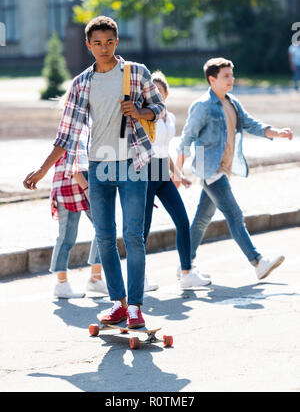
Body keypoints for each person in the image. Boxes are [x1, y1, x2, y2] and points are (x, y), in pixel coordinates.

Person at [23, 16, 165, 328]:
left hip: (133, 164)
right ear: (89, 45)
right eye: (98, 43)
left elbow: (159, 109)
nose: (104, 48)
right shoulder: (81, 83)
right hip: (97, 167)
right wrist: (43, 169)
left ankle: (136, 308)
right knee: (103, 237)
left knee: (134, 237)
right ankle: (118, 303)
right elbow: (66, 135)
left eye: (109, 42)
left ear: (117, 42)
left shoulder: (136, 73)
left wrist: (140, 111)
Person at [176, 57, 293, 281]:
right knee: (234, 214)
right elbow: (186, 138)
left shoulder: (231, 102)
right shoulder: (202, 106)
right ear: (212, 79)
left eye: (232, 75)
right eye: (226, 76)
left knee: (202, 219)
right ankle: (257, 262)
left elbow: (251, 124)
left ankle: (185, 266)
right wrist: (177, 172)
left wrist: (277, 132)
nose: (232, 79)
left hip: (222, 169)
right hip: (210, 170)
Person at [143, 71, 211, 291]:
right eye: (150, 92)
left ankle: (187, 273)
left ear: (166, 94)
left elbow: (164, 150)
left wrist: (178, 173)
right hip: (145, 173)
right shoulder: (144, 116)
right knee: (142, 229)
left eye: (159, 93)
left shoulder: (169, 118)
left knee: (182, 221)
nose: (154, 96)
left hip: (163, 173)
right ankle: (139, 278)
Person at [50, 150, 108, 299]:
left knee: (104, 228)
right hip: (68, 185)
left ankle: (95, 278)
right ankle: (61, 284)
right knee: (67, 236)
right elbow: (72, 159)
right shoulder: (73, 127)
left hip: (88, 184)